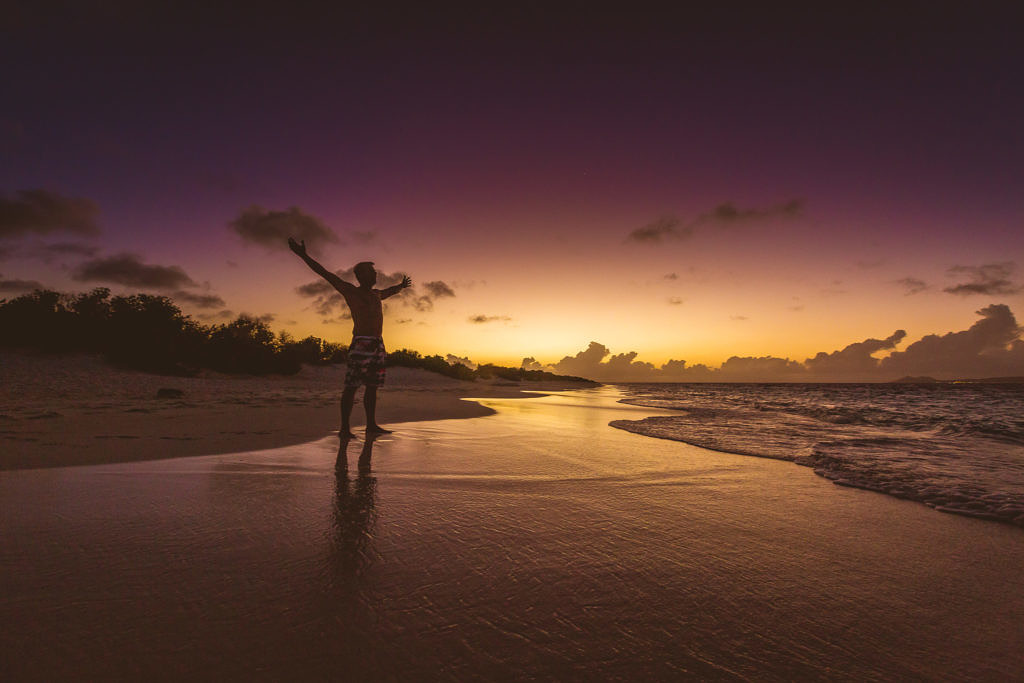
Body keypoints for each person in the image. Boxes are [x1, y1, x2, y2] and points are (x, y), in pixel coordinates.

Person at [288, 237, 411, 437]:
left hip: (377, 344)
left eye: (374, 271)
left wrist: (401, 286)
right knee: (352, 386)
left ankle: (371, 425)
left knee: (372, 387)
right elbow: (325, 274)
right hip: (361, 344)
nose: (375, 273)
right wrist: (303, 255)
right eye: (371, 272)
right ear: (361, 276)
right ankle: (344, 429)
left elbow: (391, 291)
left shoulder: (377, 295)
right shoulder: (350, 291)